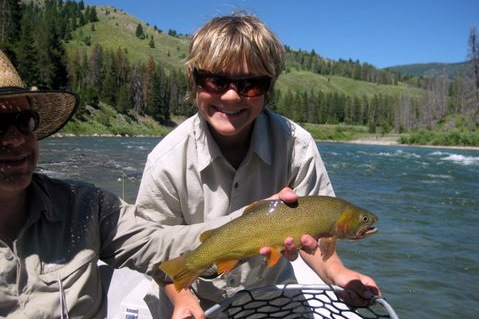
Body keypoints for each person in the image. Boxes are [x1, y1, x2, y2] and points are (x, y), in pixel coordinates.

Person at [0, 49, 307, 318]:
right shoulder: (166, 156)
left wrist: (253, 220)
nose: (15, 140)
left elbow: (157, 243)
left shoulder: (85, 208)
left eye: (24, 122)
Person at [135, 13, 379, 319]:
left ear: (269, 89)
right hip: (187, 294)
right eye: (215, 79)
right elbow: (152, 249)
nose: (231, 95)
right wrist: (182, 298)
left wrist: (337, 274)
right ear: (193, 79)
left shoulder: (297, 146)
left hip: (269, 295)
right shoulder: (166, 161)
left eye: (250, 84)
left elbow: (314, 239)